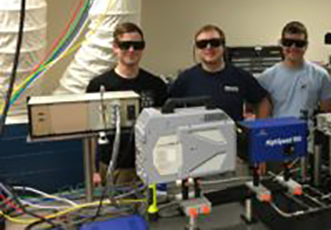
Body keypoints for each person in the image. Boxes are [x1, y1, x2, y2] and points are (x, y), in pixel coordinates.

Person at [86, 22, 168, 184]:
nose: (132, 50)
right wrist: (93, 170)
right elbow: (90, 134)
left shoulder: (156, 84)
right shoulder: (99, 85)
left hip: (151, 164)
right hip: (114, 168)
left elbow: (166, 127)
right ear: (115, 47)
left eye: (137, 45)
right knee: (118, 210)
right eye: (125, 45)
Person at [169, 24, 271, 121]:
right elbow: (167, 108)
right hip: (195, 137)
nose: (208, 47)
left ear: (223, 46)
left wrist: (258, 129)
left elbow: (262, 102)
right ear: (196, 49)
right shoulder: (185, 79)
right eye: (202, 44)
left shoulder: (240, 76)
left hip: (231, 137)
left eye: (214, 43)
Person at [258, 21, 331, 118]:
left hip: (308, 132)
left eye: (299, 44)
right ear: (281, 44)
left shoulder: (321, 75)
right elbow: (261, 118)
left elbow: (327, 116)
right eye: (288, 43)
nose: (293, 47)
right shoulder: (266, 77)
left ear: (306, 45)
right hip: (278, 132)